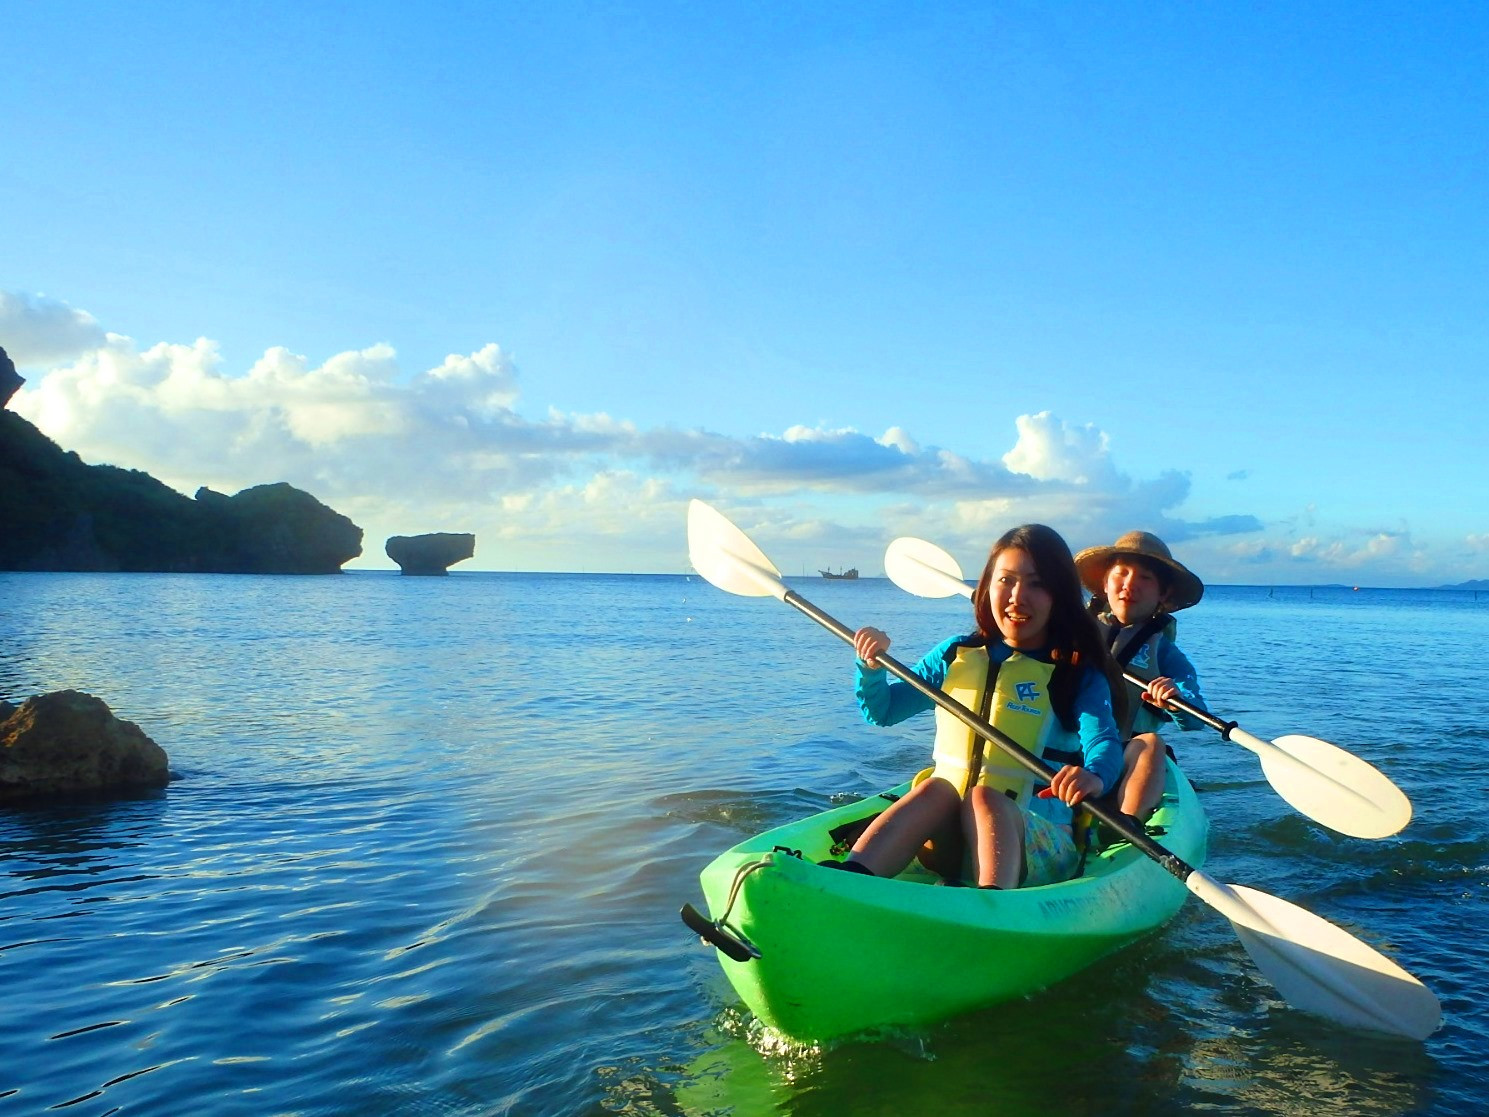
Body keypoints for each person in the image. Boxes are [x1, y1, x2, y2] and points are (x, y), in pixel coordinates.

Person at [824, 524, 1127, 889]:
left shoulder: (1075, 672)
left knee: (987, 796)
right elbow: (883, 711)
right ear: (987, 588)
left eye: (1036, 584)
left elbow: (1105, 742)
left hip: (1037, 844)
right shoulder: (955, 654)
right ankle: (853, 879)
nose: (1017, 597)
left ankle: (993, 903)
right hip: (951, 837)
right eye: (1006, 581)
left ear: (1059, 597)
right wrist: (871, 667)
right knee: (936, 788)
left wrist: (1093, 775)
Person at [1073, 530, 1208, 822]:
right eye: (1121, 573)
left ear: (1164, 594)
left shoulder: (1165, 653)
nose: (1130, 584)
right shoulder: (1071, 631)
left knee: (1151, 743)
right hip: (1072, 745)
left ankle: (1127, 825)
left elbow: (1197, 717)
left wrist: (1175, 701)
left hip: (1126, 753)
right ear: (1105, 583)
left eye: (1145, 578)